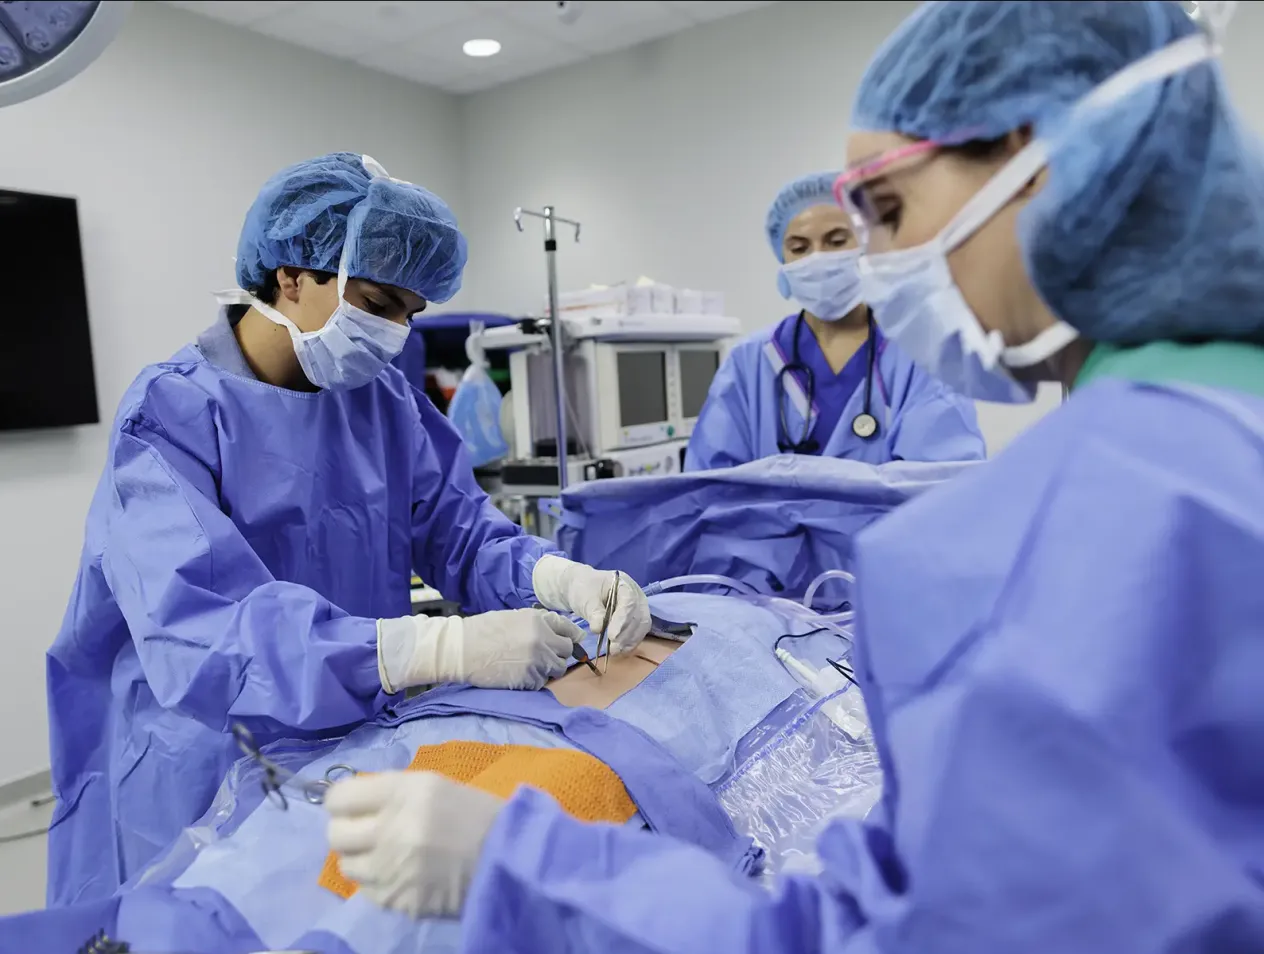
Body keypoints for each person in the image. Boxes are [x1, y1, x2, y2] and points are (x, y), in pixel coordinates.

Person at [321, 2, 1264, 950]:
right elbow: (708, 498)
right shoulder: (1209, 430)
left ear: (1051, 168)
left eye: (886, 214)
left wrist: (528, 871)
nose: (880, 260)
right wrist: (521, 596)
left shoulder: (1092, 523)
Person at [44, 153, 650, 907]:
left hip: (349, 734)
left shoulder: (382, 401)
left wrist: (560, 578)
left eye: (410, 312)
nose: (396, 332)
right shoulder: (169, 416)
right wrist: (437, 647)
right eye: (377, 301)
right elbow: (201, 630)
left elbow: (461, 533)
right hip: (199, 759)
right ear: (291, 276)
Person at [684, 171, 985, 469]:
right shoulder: (751, 360)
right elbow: (710, 484)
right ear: (783, 261)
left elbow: (942, 480)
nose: (818, 258)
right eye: (799, 248)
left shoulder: (922, 353)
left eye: (836, 241)